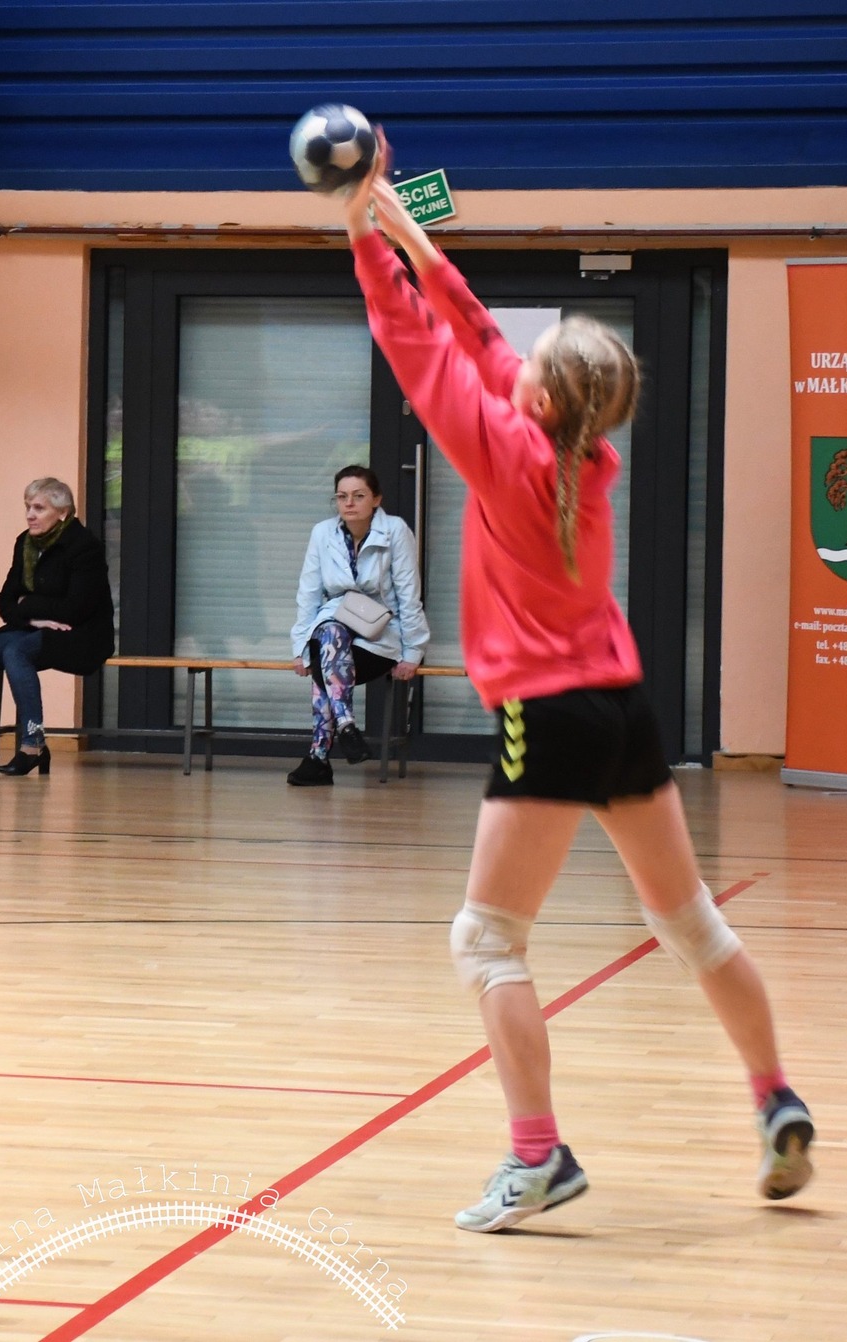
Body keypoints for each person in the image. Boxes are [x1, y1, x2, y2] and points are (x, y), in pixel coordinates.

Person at [343, 134, 813, 1231]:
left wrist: (358, 239)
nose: (523, 352)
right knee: (690, 923)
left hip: (547, 719)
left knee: (485, 941)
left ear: (545, 393)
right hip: (622, 707)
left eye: (541, 351)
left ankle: (536, 1156)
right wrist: (402, 228)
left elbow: (418, 341)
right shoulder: (583, 455)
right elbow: (472, 330)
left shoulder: (500, 450)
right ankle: (774, 1096)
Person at [0, 479, 114, 777]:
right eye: (28, 507)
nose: (30, 515)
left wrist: (28, 603)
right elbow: (5, 601)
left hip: (82, 634)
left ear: (62, 513)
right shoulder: (25, 543)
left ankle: (33, 746)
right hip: (35, 628)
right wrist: (32, 619)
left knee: (16, 652)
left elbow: (76, 609)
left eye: (39, 508)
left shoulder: (84, 546)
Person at [286, 464, 428, 787]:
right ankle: (347, 726)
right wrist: (300, 650)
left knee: (325, 664)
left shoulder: (395, 531)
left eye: (359, 496)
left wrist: (413, 652)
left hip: (378, 636)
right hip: (333, 628)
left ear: (376, 499)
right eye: (342, 496)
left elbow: (409, 594)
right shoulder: (322, 533)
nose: (349, 503)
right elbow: (308, 594)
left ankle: (319, 757)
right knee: (329, 634)